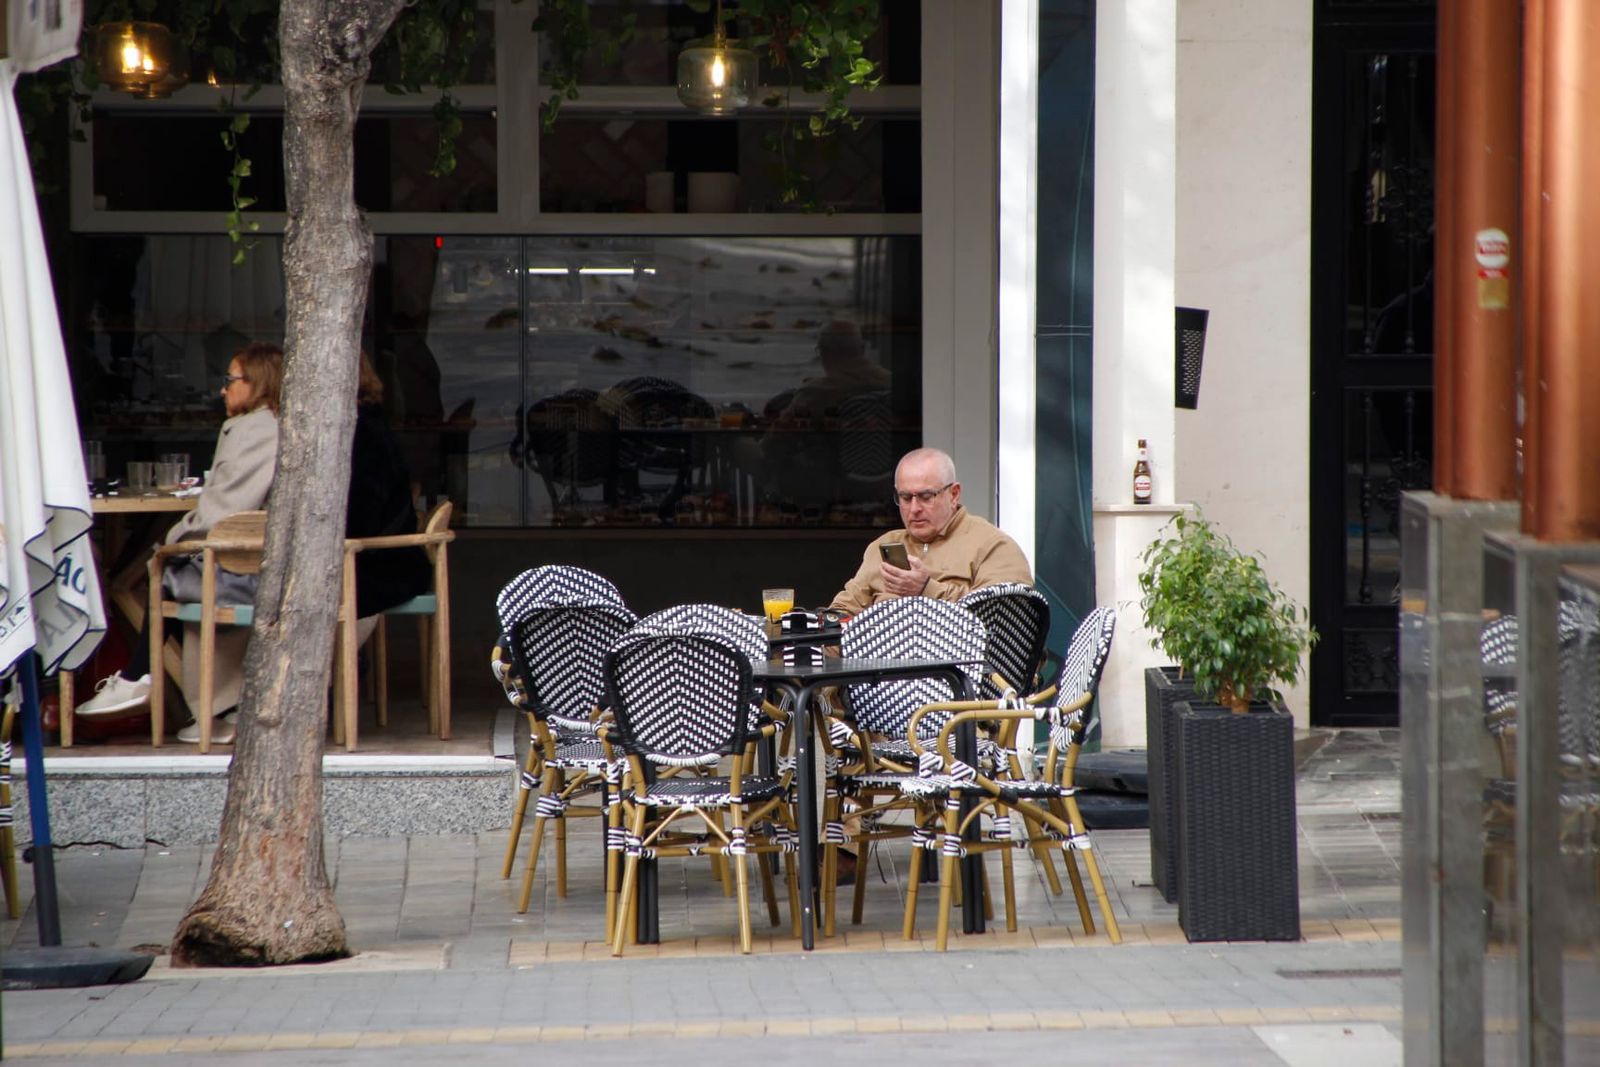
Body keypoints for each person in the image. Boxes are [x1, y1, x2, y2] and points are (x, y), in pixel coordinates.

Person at [75, 342, 285, 744]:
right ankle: (175, 690)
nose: (222, 389)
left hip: (244, 570)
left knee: (162, 569)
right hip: (247, 562)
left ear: (257, 383)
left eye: (230, 380)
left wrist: (175, 537)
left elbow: (224, 509)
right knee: (161, 569)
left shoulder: (256, 430)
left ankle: (146, 679)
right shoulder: (263, 426)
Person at [829, 447, 1033, 614]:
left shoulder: (992, 545)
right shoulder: (883, 546)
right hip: (880, 660)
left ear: (954, 494)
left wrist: (926, 589)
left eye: (926, 496)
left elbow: (1004, 618)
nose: (914, 509)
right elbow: (842, 611)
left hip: (957, 661)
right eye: (906, 498)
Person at [348, 353, 431, 621]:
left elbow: (362, 516)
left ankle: (345, 659)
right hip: (382, 560)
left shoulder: (363, 433)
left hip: (383, 565)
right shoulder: (369, 424)